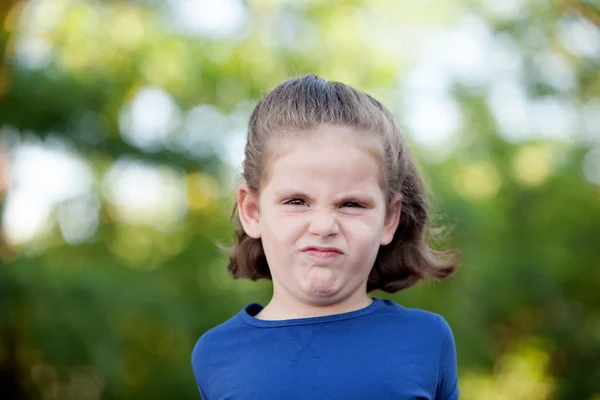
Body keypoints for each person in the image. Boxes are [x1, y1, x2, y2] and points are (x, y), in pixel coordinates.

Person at [191, 74, 460, 400]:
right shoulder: (216, 353)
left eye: (351, 204)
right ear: (252, 211)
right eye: (296, 201)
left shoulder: (427, 340)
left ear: (389, 218)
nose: (323, 226)